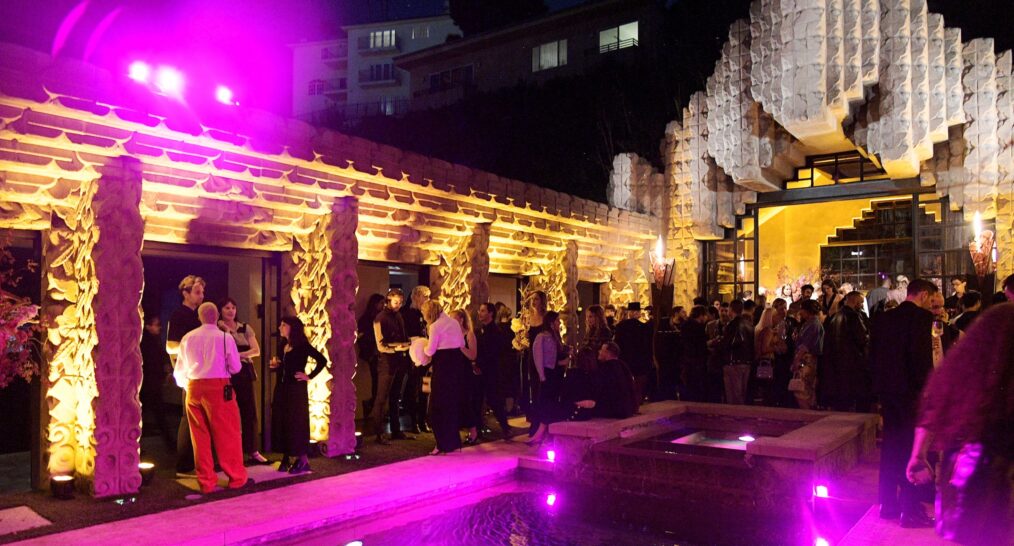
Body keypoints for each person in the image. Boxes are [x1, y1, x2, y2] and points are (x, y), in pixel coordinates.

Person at [906, 303, 1014, 545]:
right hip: (994, 473)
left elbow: (934, 405)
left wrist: (918, 454)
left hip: (967, 470)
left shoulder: (968, 369)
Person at [870, 278, 937, 528]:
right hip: (910, 394)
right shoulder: (920, 319)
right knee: (911, 449)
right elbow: (920, 359)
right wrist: (927, 389)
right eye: (930, 299)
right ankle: (909, 510)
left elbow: (874, 358)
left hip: (888, 394)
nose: (930, 304)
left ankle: (887, 504)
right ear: (922, 294)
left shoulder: (884, 319)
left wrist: (878, 392)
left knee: (890, 448)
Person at [174, 302, 249, 494]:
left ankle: (206, 481)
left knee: (199, 437)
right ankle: (236, 477)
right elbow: (236, 367)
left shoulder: (187, 338)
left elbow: (179, 371)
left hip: (194, 388)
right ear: (216, 317)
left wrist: (188, 384)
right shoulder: (224, 338)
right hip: (219, 387)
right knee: (227, 434)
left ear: (199, 317)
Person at [526, 341, 637, 445]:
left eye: (602, 350)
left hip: (591, 409)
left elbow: (570, 394)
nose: (599, 352)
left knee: (546, 408)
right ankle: (541, 437)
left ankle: (538, 436)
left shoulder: (599, 371)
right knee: (549, 408)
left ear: (608, 353)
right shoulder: (619, 367)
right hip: (602, 408)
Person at [270, 316, 328, 474]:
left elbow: (321, 360)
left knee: (296, 421)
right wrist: (276, 366)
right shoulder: (283, 344)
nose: (280, 327)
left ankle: (303, 459)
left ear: (292, 328)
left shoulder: (302, 345)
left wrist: (309, 375)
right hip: (282, 388)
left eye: (283, 325)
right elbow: (283, 366)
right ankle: (287, 456)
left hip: (296, 389)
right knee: (283, 420)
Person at [217, 297, 268, 465]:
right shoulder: (217, 328)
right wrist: (226, 332)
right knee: (226, 412)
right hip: (226, 373)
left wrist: (238, 355)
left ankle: (253, 450)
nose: (231, 311)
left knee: (249, 411)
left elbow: (256, 350)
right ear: (220, 310)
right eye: (226, 307)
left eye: (233, 307)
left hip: (244, 371)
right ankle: (228, 451)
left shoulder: (245, 327)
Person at [166, 275, 206, 476]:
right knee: (188, 417)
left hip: (201, 373)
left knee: (196, 418)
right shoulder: (179, 315)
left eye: (202, 292)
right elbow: (170, 346)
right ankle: (184, 465)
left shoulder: (198, 316)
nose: (201, 296)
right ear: (186, 293)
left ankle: (197, 463)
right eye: (197, 292)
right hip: (189, 373)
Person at [422, 300, 467, 455]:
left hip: (442, 367)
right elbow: (461, 343)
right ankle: (453, 441)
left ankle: (441, 443)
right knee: (451, 405)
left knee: (437, 406)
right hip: (456, 367)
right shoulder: (454, 323)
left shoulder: (434, 326)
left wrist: (422, 347)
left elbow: (430, 350)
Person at [371, 289, 413, 445]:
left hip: (399, 361)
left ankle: (396, 430)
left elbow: (403, 336)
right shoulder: (380, 318)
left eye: (401, 302)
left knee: (395, 397)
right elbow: (380, 346)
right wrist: (397, 348)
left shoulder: (399, 315)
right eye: (396, 302)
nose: (399, 305)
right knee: (381, 398)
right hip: (387, 362)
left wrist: (408, 343)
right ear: (388, 301)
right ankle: (378, 433)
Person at [822, 291, 870, 412]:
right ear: (855, 301)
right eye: (861, 302)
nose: (862, 305)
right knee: (856, 398)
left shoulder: (835, 316)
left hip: (838, 363)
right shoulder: (853, 317)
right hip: (854, 363)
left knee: (843, 399)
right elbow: (861, 338)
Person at [474, 302, 515, 440]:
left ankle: (505, 427)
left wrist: (481, 365)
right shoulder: (480, 330)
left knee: (494, 400)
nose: (480, 313)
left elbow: (494, 353)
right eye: (480, 310)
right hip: (480, 372)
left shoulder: (496, 332)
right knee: (477, 400)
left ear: (490, 313)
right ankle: (477, 431)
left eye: (483, 311)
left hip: (491, 372)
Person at [530, 310, 569, 440]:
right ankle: (541, 433)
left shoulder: (555, 337)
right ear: (552, 323)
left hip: (555, 375)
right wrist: (542, 376)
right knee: (546, 402)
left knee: (552, 402)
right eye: (557, 320)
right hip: (549, 375)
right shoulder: (543, 337)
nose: (559, 323)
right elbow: (540, 357)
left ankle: (546, 433)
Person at [140, 314, 174, 451]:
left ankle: (169, 443)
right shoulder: (149, 343)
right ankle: (170, 443)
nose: (159, 327)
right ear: (148, 326)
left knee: (148, 413)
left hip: (150, 382)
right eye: (156, 324)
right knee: (158, 414)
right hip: (150, 383)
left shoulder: (151, 341)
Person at [402, 286, 431, 434]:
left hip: (426, 355)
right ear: (416, 297)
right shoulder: (407, 314)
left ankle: (423, 419)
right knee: (414, 388)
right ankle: (414, 422)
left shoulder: (425, 315)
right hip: (413, 356)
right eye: (424, 297)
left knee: (425, 388)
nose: (427, 300)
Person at [449, 309, 480, 445]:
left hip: (465, 373)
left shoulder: (469, 335)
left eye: (453, 318)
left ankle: (473, 430)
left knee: (466, 402)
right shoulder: (451, 334)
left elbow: (473, 355)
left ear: (461, 320)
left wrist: (460, 346)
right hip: (455, 372)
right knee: (455, 402)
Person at [613, 302, 653, 404]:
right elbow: (647, 345)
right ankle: (637, 404)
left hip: (626, 360)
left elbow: (617, 343)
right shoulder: (643, 327)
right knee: (639, 387)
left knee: (626, 385)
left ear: (630, 312)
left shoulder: (621, 326)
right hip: (640, 361)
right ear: (637, 312)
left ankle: (628, 404)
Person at [356, 293, 385, 417]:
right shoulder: (368, 319)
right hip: (373, 353)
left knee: (378, 381)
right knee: (377, 381)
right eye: (381, 303)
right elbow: (362, 337)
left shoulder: (378, 317)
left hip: (377, 352)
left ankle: (373, 405)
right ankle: (373, 405)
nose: (383, 305)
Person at [721, 299, 754, 405]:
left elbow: (729, 343)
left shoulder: (732, 325)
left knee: (733, 395)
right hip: (746, 362)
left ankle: (735, 418)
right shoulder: (749, 325)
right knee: (742, 394)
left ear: (731, 309)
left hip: (733, 362)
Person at [791, 300, 823, 410]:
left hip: (806, 359)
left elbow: (805, 346)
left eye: (802, 309)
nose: (800, 312)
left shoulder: (813, 324)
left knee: (802, 390)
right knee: (806, 389)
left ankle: (806, 413)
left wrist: (796, 361)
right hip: (808, 358)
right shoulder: (811, 323)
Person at [680, 306, 710, 402]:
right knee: (697, 387)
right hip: (697, 362)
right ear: (701, 315)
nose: (706, 318)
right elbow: (701, 346)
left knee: (688, 386)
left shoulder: (684, 325)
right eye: (705, 316)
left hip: (686, 360)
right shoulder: (698, 328)